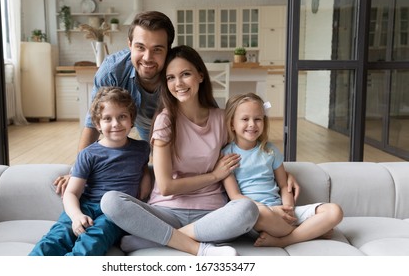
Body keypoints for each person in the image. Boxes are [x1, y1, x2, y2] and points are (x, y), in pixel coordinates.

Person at [100, 45, 260, 256]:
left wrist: (282, 175)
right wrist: (213, 175)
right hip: (165, 211)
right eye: (171, 78)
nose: (179, 84)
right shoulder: (165, 121)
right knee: (110, 201)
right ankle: (198, 248)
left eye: (185, 74)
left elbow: (248, 151)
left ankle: (159, 239)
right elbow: (166, 186)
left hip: (211, 215)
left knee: (247, 209)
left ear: (200, 76)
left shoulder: (222, 119)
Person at [53, 11, 175, 195]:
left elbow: (201, 114)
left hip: (174, 123)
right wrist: (76, 172)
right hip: (139, 119)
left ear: (168, 49)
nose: (148, 57)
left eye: (157, 49)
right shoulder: (113, 70)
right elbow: (93, 123)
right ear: (129, 45)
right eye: (140, 47)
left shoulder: (179, 68)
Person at [29, 87, 151, 256]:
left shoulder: (142, 149)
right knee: (56, 238)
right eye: (107, 119)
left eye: (122, 116)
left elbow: (143, 167)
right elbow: (71, 193)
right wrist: (76, 216)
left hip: (115, 212)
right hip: (85, 206)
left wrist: (145, 176)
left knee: (92, 241)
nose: (115, 124)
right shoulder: (89, 154)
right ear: (97, 124)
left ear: (132, 120)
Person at [222, 92, 343, 248]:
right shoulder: (226, 155)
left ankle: (285, 240)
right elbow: (235, 196)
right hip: (256, 216)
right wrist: (270, 210)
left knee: (334, 211)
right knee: (263, 215)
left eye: (258, 119)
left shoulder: (270, 150)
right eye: (245, 119)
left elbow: (284, 185)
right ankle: (308, 231)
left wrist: (289, 209)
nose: (252, 124)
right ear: (232, 123)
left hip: (281, 211)